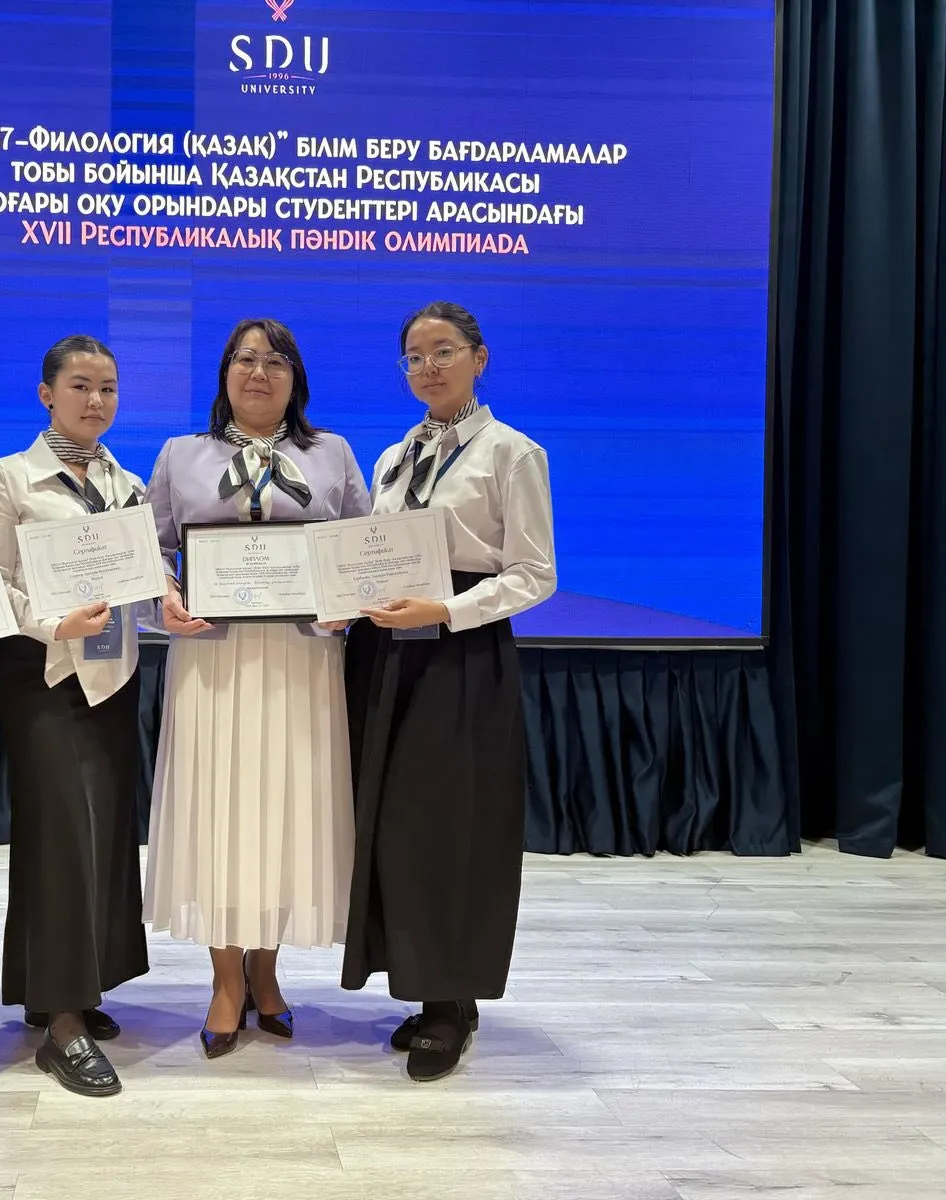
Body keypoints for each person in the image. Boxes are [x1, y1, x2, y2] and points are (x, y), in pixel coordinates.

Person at [143, 318, 370, 1058]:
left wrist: (348, 600)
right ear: (224, 373)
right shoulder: (181, 455)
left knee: (283, 813)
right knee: (220, 813)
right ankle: (224, 980)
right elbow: (149, 551)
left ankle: (266, 970)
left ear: (295, 377)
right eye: (245, 358)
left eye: (275, 361)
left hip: (303, 662)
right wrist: (163, 600)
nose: (259, 372)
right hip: (212, 663)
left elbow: (363, 548)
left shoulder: (332, 454)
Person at [342, 301, 556, 1081]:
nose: (427, 367)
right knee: (398, 829)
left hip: (463, 652)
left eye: (443, 351)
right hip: (388, 654)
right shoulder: (395, 456)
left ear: (479, 358)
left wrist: (447, 611)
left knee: (453, 829)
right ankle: (428, 986)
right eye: (414, 356)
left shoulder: (511, 453)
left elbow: (534, 574)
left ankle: (451, 1003)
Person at [0, 335, 150, 1097]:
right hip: (42, 674)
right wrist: (54, 625)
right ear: (47, 394)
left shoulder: (125, 481)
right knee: (58, 838)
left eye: (107, 387)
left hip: (113, 679)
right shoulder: (10, 478)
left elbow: (142, 580)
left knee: (102, 836)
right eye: (80, 386)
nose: (95, 400)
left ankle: (64, 990)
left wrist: (171, 599)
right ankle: (63, 1027)